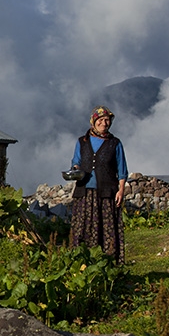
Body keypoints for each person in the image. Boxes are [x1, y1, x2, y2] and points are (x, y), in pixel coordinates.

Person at [69, 106, 128, 263]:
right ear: (93, 122)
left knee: (106, 229)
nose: (104, 123)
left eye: (107, 120)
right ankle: (81, 262)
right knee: (82, 228)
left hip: (107, 193)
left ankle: (107, 262)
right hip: (84, 192)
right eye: (100, 120)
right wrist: (75, 170)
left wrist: (121, 190)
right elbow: (76, 161)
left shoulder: (115, 144)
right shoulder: (82, 142)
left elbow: (122, 170)